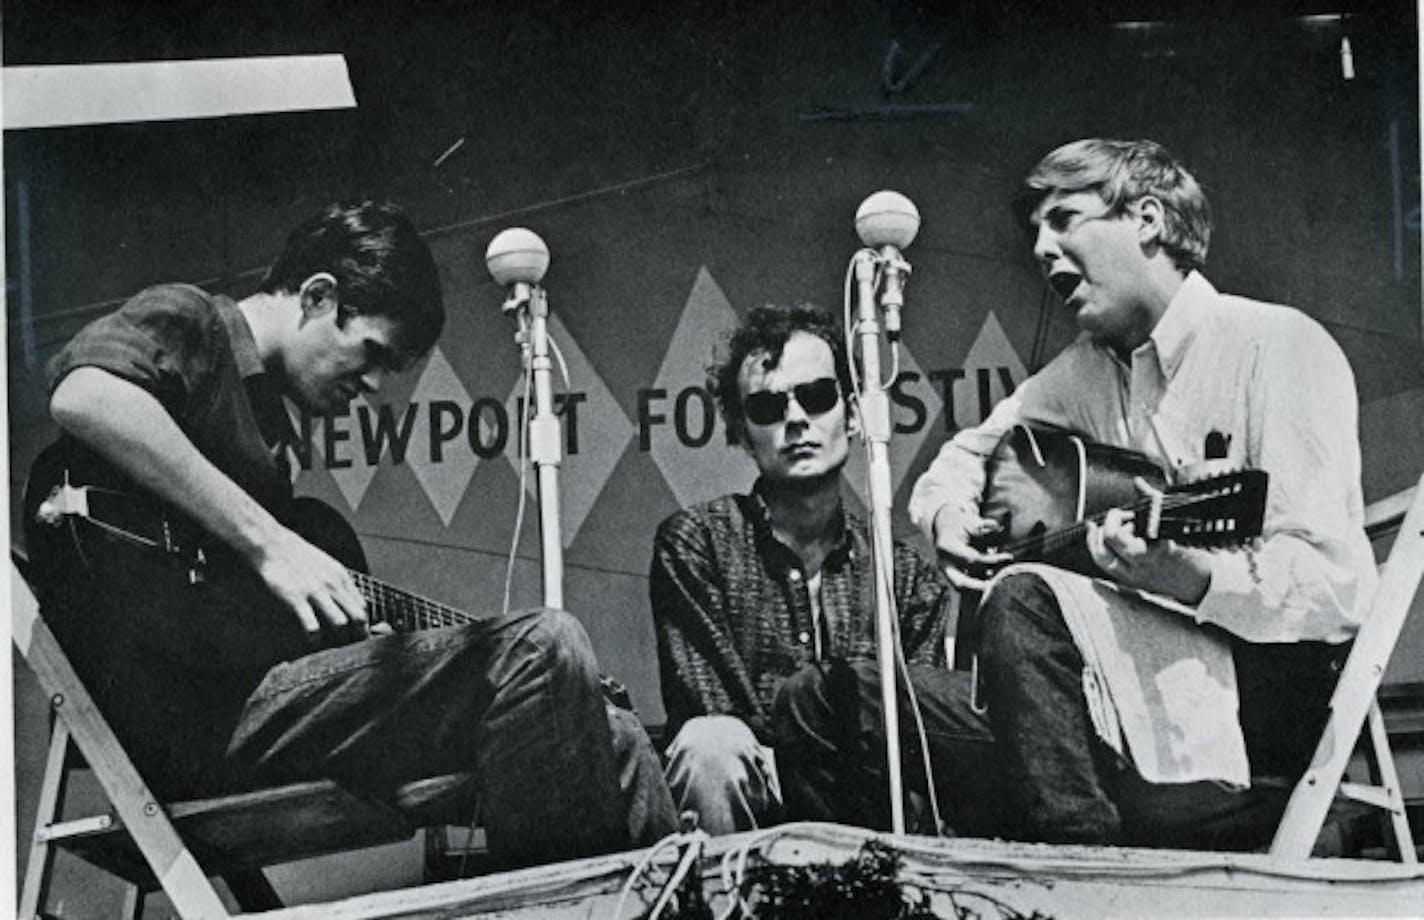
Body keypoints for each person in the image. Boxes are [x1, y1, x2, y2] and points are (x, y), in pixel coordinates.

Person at [25, 200, 675, 868]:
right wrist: (270, 544)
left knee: (610, 728)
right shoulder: (195, 321)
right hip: (191, 722)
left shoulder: (272, 429)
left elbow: (243, 618)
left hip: (251, 707)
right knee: (544, 643)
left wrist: (370, 648)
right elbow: (85, 396)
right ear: (317, 294)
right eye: (370, 354)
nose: (370, 385)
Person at [909, 138, 1377, 849]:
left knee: (1025, 597)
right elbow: (964, 457)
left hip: (1242, 723)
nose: (1040, 248)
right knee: (840, 698)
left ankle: (1085, 882)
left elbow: (1337, 589)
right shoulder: (1084, 374)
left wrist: (1193, 578)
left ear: (1149, 219)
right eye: (1035, 231)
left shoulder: (1277, 346)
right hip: (1096, 713)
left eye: (1064, 219)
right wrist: (946, 513)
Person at [650, 302, 998, 836]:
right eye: (767, 408)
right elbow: (711, 706)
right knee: (709, 746)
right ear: (742, 434)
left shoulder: (906, 578)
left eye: (816, 397)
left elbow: (921, 734)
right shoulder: (697, 542)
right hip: (760, 784)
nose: (795, 420)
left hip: (870, 796)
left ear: (854, 414)